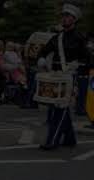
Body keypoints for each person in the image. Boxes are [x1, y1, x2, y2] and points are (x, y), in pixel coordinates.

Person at [37, 3, 90, 150]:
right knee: (57, 106)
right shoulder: (56, 38)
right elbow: (44, 51)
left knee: (59, 108)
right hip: (55, 76)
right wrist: (41, 58)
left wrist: (78, 67)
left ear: (74, 19)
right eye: (63, 16)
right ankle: (69, 138)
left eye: (68, 16)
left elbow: (88, 58)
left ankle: (52, 140)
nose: (64, 19)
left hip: (70, 77)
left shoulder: (79, 38)